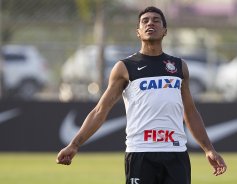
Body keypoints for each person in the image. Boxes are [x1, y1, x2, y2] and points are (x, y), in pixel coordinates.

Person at [56, 6, 227, 184]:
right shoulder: (125, 67)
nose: (150, 23)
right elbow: (100, 110)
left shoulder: (179, 66)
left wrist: (208, 149)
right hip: (140, 153)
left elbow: (190, 112)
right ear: (138, 32)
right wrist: (74, 144)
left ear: (165, 30)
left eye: (156, 20)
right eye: (145, 21)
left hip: (175, 153)